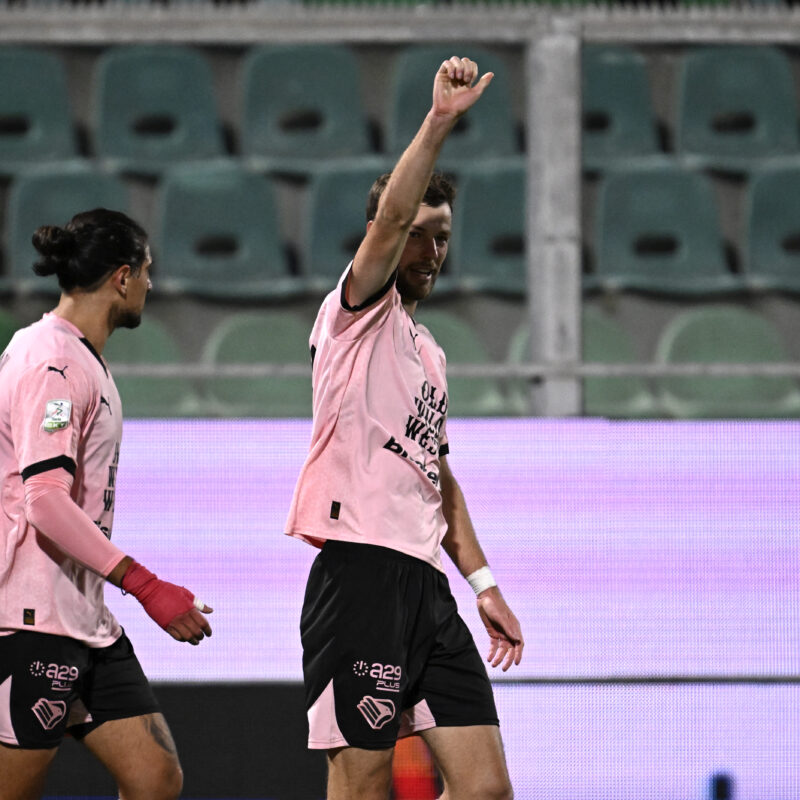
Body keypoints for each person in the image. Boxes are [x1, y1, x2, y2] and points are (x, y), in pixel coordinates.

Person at [285, 56, 524, 799]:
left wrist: (481, 583)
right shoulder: (355, 311)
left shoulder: (430, 353)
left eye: (442, 237)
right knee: (361, 785)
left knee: (485, 789)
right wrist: (440, 122)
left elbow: (438, 477)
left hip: (426, 587)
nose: (431, 250)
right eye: (419, 234)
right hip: (360, 573)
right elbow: (392, 214)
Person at [0, 209, 213, 800]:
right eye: (147, 271)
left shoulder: (69, 354)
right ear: (122, 277)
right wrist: (145, 584)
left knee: (154, 778)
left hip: (84, 620)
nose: (152, 285)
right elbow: (43, 500)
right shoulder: (55, 362)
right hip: (30, 619)